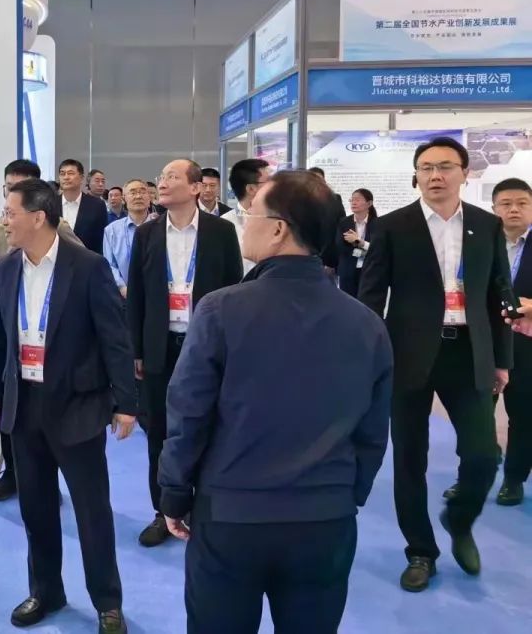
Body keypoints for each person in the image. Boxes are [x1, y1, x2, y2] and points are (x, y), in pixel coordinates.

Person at [159, 171, 392, 634]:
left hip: (232, 516)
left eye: (251, 213)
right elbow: (373, 430)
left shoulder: (220, 310)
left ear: (279, 229)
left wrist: (174, 492)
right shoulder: (367, 324)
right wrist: (347, 495)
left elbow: (189, 415)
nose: (244, 221)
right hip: (325, 518)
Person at [0, 179, 136, 634]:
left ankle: (107, 601)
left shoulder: (87, 267)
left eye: (10, 212)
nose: (4, 221)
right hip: (24, 406)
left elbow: (115, 338)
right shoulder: (7, 267)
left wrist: (126, 402)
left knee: (91, 511)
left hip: (77, 406)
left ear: (38, 217)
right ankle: (46, 591)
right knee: (37, 509)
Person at [358, 136, 512, 592]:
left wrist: (501, 359)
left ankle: (459, 519)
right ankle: (420, 551)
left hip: (468, 351)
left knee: (483, 455)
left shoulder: (486, 225)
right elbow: (371, 297)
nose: (435, 176)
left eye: (445, 166)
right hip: (407, 354)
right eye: (426, 168)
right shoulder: (393, 226)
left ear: (465, 173)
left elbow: (498, 294)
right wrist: (370, 359)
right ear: (416, 176)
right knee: (410, 460)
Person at [126, 159, 242, 547]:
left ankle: (203, 509)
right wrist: (136, 350)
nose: (162, 183)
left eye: (172, 177)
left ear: (195, 187)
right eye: (161, 177)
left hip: (205, 348)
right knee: (158, 432)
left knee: (209, 427)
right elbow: (136, 296)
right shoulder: (146, 234)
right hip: (160, 348)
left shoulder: (221, 232)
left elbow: (234, 290)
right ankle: (164, 510)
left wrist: (231, 347)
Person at [0, 159, 81, 502]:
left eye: (20, 188)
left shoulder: (60, 230)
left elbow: (81, 274)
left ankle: (47, 476)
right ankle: (12, 472)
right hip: (7, 334)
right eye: (9, 187)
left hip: (47, 336)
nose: (12, 194)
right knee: (7, 406)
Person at [453, 178, 532, 507]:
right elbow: (459, 284)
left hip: (526, 343)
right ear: (494, 208)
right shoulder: (478, 242)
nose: (514, 209)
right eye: (506, 204)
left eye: (522, 203)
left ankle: (514, 479)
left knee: (523, 415)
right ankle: (470, 478)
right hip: (483, 341)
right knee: (475, 414)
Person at [103, 179, 155, 298]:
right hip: (123, 296)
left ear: (149, 197)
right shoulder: (112, 230)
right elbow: (109, 264)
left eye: (142, 192)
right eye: (133, 192)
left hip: (155, 294)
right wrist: (122, 288)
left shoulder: (160, 227)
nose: (138, 196)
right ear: (124, 199)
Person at [223, 159, 271, 275]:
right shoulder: (224, 225)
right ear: (251, 189)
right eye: (268, 182)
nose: (274, 186)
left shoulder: (280, 220)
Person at [58, 159, 107, 255]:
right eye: (62, 174)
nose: (66, 177)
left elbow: (101, 240)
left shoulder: (97, 205)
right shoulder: (50, 203)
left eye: (70, 173)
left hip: (87, 259)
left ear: (81, 178)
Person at [336, 188, 377, 296]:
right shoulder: (344, 222)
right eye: (352, 200)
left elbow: (378, 249)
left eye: (357, 199)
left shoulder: (377, 223)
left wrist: (358, 241)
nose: (353, 203)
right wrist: (364, 249)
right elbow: (341, 247)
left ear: (369, 203)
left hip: (369, 271)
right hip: (348, 271)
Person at [308, 167, 345, 274]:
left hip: (329, 258)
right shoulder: (299, 201)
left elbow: (341, 225)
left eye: (320, 179)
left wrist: (333, 257)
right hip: (307, 257)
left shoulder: (335, 198)